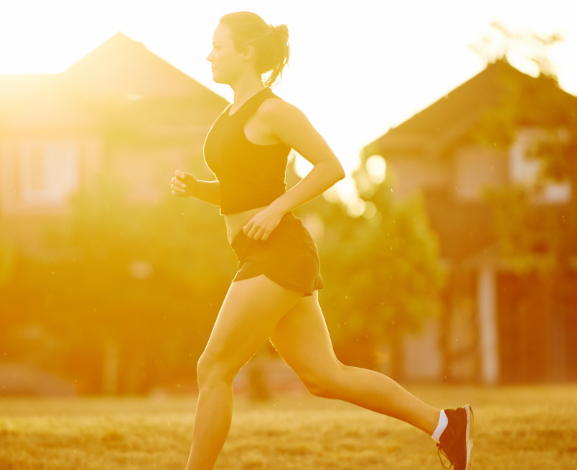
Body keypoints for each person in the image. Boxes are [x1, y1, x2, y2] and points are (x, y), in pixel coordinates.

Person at [170, 11, 474, 470]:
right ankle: (447, 426)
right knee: (324, 376)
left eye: (218, 45)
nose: (209, 54)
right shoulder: (229, 116)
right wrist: (197, 188)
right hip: (259, 252)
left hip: (279, 252)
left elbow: (330, 166)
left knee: (212, 368)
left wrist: (276, 210)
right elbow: (242, 191)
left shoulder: (274, 111)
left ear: (247, 52)